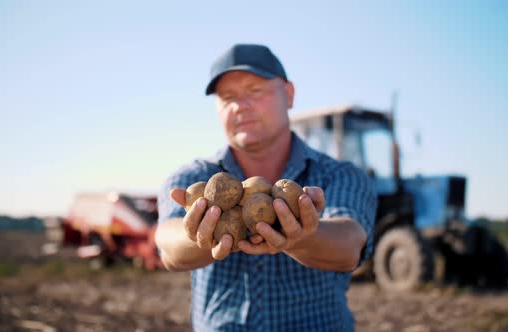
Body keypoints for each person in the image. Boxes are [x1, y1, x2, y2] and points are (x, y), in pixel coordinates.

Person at [155, 43, 377, 332]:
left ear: (289, 94)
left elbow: (350, 245)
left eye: (255, 91)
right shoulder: (194, 176)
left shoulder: (340, 175)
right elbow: (168, 245)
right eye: (227, 97)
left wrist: (303, 237)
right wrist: (196, 235)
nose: (239, 106)